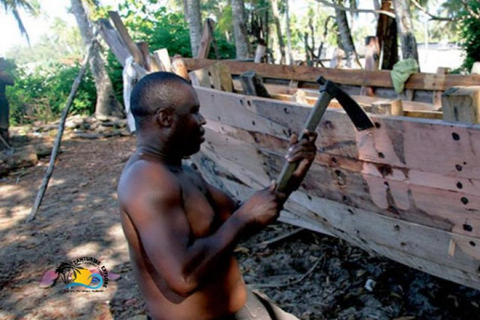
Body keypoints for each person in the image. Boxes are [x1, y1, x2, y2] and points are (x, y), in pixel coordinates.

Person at [117, 72, 317, 320]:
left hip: (243, 308)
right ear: (165, 118)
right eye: (193, 112)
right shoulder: (147, 181)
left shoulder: (180, 170)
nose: (202, 121)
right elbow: (183, 277)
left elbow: (244, 216)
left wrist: (293, 176)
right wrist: (243, 219)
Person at [0, 58, 14, 147]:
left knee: (3, 125)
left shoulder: (2, 74)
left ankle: (6, 145)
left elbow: (11, 82)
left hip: (1, 101)